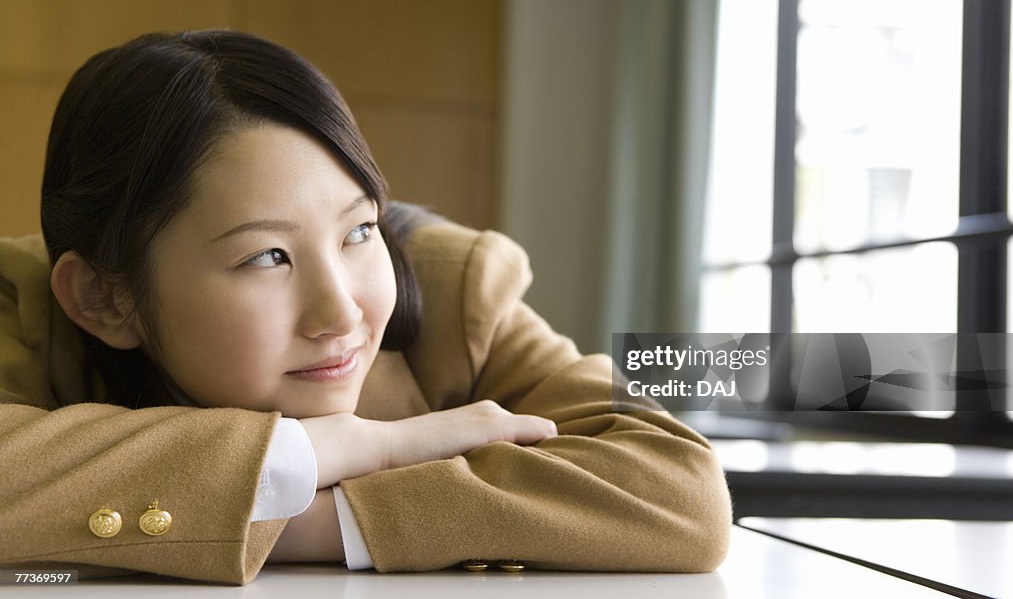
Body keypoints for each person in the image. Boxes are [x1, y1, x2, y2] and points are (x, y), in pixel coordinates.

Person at [0, 30, 731, 584]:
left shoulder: (452, 294)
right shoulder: (20, 308)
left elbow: (678, 492)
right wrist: (355, 447)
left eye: (358, 231)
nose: (342, 311)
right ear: (104, 298)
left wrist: (315, 522)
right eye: (268, 257)